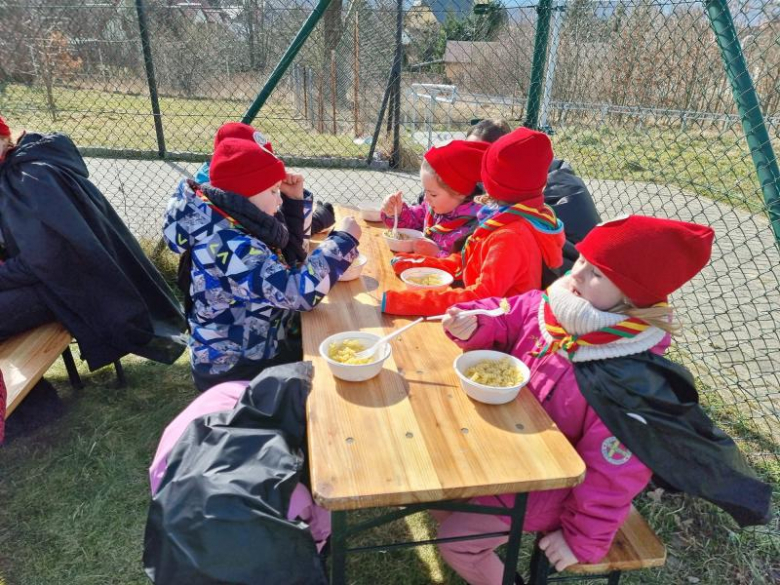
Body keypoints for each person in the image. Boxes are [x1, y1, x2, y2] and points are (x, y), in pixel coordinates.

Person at [435, 215, 771, 584]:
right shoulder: (553, 306)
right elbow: (506, 315)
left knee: (457, 540)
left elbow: (613, 476)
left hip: (548, 489)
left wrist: (581, 541)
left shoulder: (628, 380)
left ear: (630, 298)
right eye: (581, 260)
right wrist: (473, 323)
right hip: (510, 450)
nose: (576, 274)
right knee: (439, 486)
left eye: (596, 274)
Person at [163, 136, 361, 391]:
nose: (278, 200)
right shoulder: (231, 246)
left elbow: (291, 257)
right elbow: (297, 293)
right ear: (245, 196)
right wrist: (343, 242)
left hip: (257, 346)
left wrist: (294, 201)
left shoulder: (235, 221)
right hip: (232, 368)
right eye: (272, 191)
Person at [0, 114, 186, 369]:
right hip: (54, 279)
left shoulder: (28, 179)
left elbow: (44, 261)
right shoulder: (29, 163)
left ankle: (28, 398)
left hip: (68, 287)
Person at [383, 127, 565, 316]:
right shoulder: (510, 215)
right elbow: (469, 261)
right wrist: (416, 263)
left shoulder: (510, 236)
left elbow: (481, 298)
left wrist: (406, 303)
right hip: (485, 321)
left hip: (501, 332)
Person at [381, 140, 489, 257]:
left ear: (459, 192)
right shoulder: (431, 208)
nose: (426, 199)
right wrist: (396, 212)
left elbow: (466, 266)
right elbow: (411, 224)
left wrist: (437, 254)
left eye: (433, 194)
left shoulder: (474, 229)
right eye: (425, 191)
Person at [414, 119, 511, 206]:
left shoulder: (493, 198)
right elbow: (420, 207)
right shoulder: (451, 176)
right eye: (469, 148)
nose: (469, 158)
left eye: (478, 154)